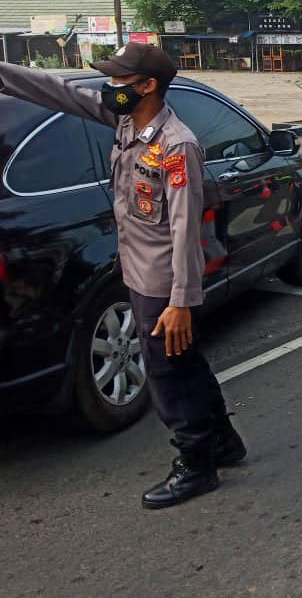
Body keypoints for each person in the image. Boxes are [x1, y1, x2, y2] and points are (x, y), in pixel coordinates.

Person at [0, 44, 245, 509]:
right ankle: (223, 442)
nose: (110, 88)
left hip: (162, 283)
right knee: (186, 363)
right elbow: (59, 92)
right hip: (134, 269)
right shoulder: (127, 122)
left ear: (147, 85)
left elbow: (185, 228)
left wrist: (180, 303)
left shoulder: (177, 146)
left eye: (118, 80)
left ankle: (196, 464)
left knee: (166, 374)